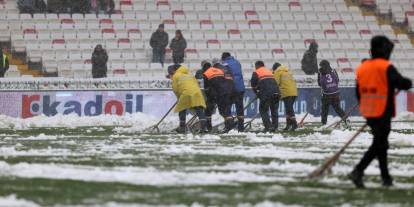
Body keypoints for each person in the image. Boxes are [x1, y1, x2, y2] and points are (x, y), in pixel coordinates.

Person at [349, 36, 412, 189]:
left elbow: (358, 91)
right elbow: (400, 82)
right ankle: (358, 170)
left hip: (368, 111)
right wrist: (408, 83)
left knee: (381, 144)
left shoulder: (362, 67)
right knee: (379, 143)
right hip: (383, 111)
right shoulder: (385, 66)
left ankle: (386, 178)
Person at [168, 64, 208, 134]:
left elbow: (175, 89)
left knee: (182, 108)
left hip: (186, 92)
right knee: (199, 109)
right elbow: (196, 84)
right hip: (197, 92)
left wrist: (179, 98)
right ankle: (204, 127)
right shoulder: (190, 75)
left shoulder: (175, 76)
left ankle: (182, 127)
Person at [203, 61, 235, 133]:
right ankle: (230, 124)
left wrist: (210, 97)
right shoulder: (219, 70)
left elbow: (206, 88)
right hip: (226, 91)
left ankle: (209, 126)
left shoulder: (206, 73)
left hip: (217, 93)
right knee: (225, 109)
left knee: (209, 110)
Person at [250, 61, 280, 132]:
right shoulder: (269, 71)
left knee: (263, 110)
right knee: (274, 110)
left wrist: (257, 93)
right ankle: (274, 126)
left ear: (257, 66)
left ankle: (268, 126)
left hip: (266, 93)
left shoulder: (256, 72)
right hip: (276, 92)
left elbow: (253, 84)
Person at [317, 60, 349, 126]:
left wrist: (326, 87)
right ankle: (346, 119)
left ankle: (323, 123)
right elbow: (337, 80)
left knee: (324, 109)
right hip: (336, 93)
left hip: (326, 94)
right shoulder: (333, 70)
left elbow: (320, 83)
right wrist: (333, 86)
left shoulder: (320, 72)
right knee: (338, 108)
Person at [222, 52, 246, 132]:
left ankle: (229, 126)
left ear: (223, 58)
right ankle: (241, 127)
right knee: (239, 107)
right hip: (240, 87)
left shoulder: (224, 64)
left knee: (227, 106)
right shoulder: (237, 62)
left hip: (231, 88)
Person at [272, 62, 298, 131]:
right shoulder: (287, 71)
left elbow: (276, 83)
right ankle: (288, 125)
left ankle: (294, 124)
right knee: (288, 109)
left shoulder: (278, 72)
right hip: (294, 92)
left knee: (289, 109)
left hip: (286, 92)